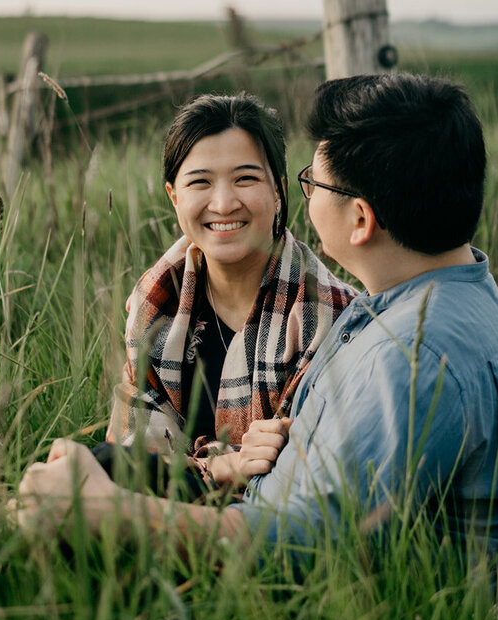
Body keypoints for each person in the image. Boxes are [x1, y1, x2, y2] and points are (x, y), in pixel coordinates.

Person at [15, 72, 498, 560]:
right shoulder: (416, 298)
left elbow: (307, 543)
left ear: (360, 218)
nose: (224, 202)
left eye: (313, 184)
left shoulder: (411, 357)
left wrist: (113, 513)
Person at [98, 93, 354, 495]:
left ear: (278, 191)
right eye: (200, 182)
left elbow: (296, 475)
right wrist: (223, 465)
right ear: (174, 197)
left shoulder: (330, 315)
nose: (223, 203)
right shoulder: (154, 304)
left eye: (245, 179)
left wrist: (189, 470)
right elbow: (130, 450)